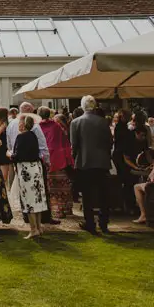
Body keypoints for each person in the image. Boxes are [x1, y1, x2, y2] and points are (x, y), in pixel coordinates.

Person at [69, 95, 112, 235]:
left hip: (84, 162)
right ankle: (104, 223)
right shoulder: (103, 122)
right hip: (102, 162)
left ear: (82, 106)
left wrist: (74, 159)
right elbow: (109, 142)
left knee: (87, 195)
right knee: (103, 195)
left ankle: (90, 223)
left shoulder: (76, 122)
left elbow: (74, 145)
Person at [12, 115, 48, 239]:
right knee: (38, 199)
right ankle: (38, 227)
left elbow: (17, 156)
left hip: (26, 170)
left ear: (23, 125)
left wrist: (8, 154)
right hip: (36, 168)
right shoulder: (33, 135)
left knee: (29, 199)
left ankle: (33, 229)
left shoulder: (21, 137)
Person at [39, 108, 74, 220]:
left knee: (50, 187)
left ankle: (54, 211)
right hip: (59, 160)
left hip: (45, 160)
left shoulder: (37, 126)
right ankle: (64, 209)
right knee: (61, 186)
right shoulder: (56, 126)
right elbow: (64, 141)